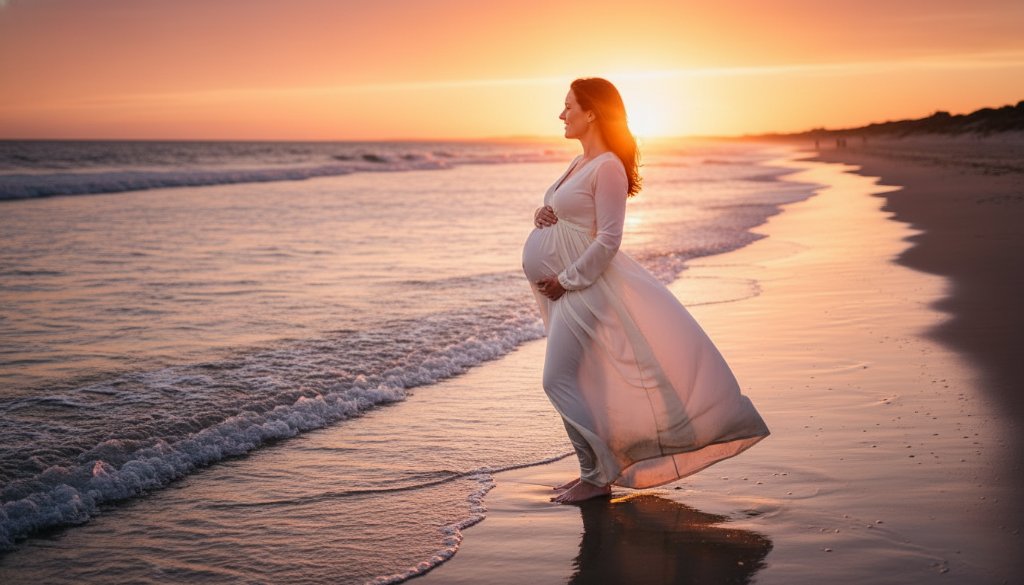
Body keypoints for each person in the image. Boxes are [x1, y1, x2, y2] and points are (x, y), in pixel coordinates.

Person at [522, 78, 770, 503]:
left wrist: (566, 280)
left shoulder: (609, 167)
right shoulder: (579, 163)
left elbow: (609, 239)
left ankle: (596, 478)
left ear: (592, 112)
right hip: (563, 292)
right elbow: (572, 217)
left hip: (583, 289)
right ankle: (594, 472)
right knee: (580, 381)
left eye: (568, 106)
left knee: (556, 380)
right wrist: (544, 212)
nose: (561, 115)